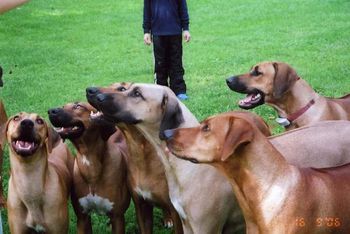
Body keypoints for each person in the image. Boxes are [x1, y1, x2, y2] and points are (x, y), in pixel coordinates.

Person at [143, 0, 191, 101]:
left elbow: (183, 7)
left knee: (176, 62)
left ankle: (179, 90)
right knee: (160, 64)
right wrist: (146, 31)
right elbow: (147, 10)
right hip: (158, 33)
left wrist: (185, 28)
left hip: (175, 31)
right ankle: (161, 90)